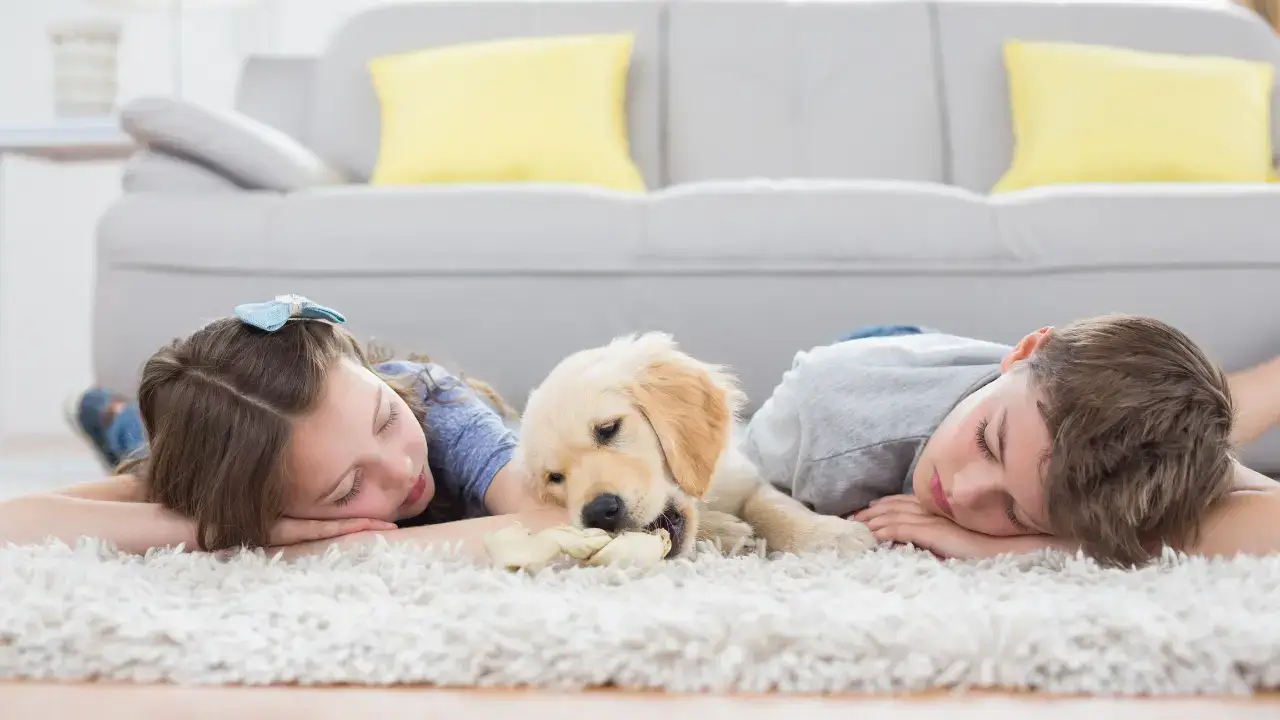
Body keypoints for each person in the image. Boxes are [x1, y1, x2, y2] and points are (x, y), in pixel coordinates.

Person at [0, 294, 567, 560]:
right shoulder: (240, 470)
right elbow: (13, 523)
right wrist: (224, 530)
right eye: (347, 488)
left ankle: (113, 416)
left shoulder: (434, 402)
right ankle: (116, 420)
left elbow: (554, 522)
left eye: (386, 419)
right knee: (146, 466)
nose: (400, 468)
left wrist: (335, 549)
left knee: (136, 445)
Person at [740, 317, 1280, 567]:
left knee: (1204, 441)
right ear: (1024, 351)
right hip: (884, 352)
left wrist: (1011, 547)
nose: (963, 491)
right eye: (986, 444)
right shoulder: (826, 432)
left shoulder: (1070, 449)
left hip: (1004, 388)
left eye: (1015, 512)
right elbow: (733, 485)